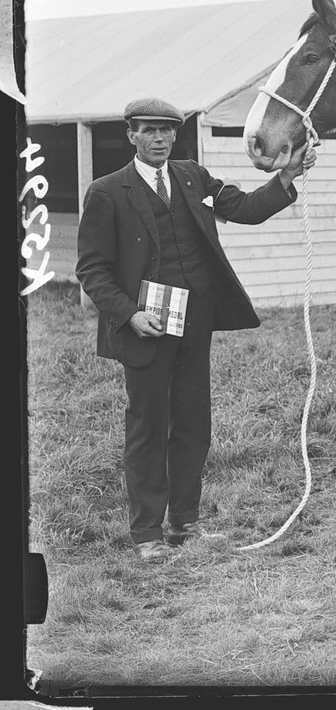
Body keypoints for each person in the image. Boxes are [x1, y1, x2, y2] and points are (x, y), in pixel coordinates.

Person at [76, 98, 316, 561]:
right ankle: (147, 533)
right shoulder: (107, 192)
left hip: (195, 323)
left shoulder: (193, 177)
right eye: (149, 131)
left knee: (192, 424)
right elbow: (92, 269)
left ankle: (185, 523)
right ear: (131, 135)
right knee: (148, 427)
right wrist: (128, 314)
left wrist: (286, 176)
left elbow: (245, 207)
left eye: (167, 131)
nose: (160, 139)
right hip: (144, 327)